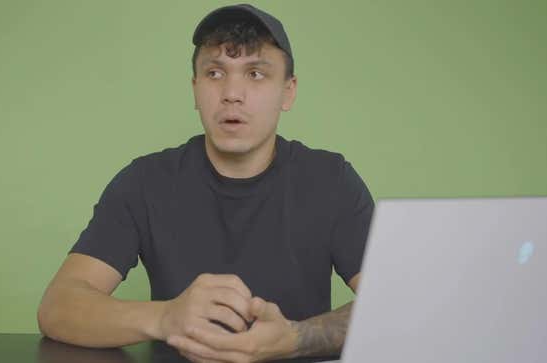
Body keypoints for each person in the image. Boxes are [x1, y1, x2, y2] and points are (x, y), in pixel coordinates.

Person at [37, 4, 374, 363]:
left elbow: (395, 304)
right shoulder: (145, 182)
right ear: (195, 88)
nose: (232, 93)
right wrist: (165, 318)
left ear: (288, 92)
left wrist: (295, 338)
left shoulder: (330, 180)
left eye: (256, 74)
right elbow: (58, 306)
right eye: (215, 73)